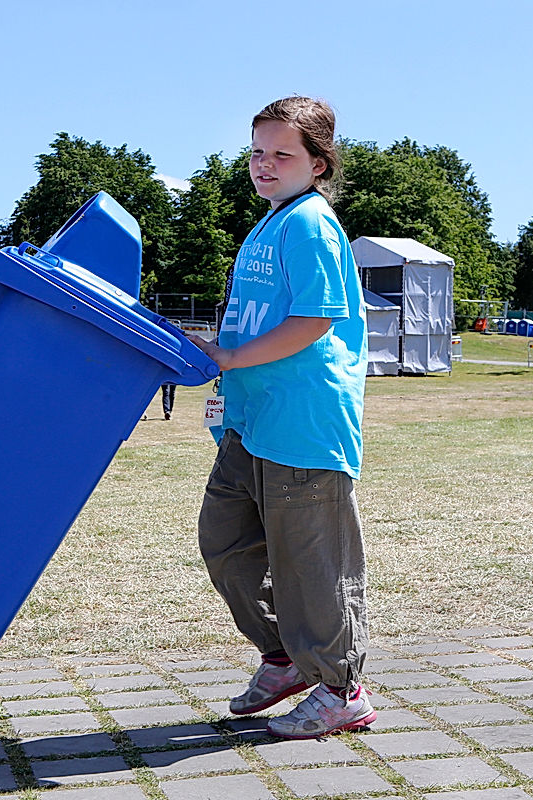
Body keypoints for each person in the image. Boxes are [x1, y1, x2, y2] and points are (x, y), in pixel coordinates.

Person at [186, 96, 372, 740]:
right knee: (227, 543)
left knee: (309, 564)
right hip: (251, 417)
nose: (264, 164)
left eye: (282, 154)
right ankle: (285, 657)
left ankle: (341, 689)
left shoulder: (311, 224)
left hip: (303, 422)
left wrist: (233, 355)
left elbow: (315, 318)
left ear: (318, 164)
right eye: (257, 152)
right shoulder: (271, 222)